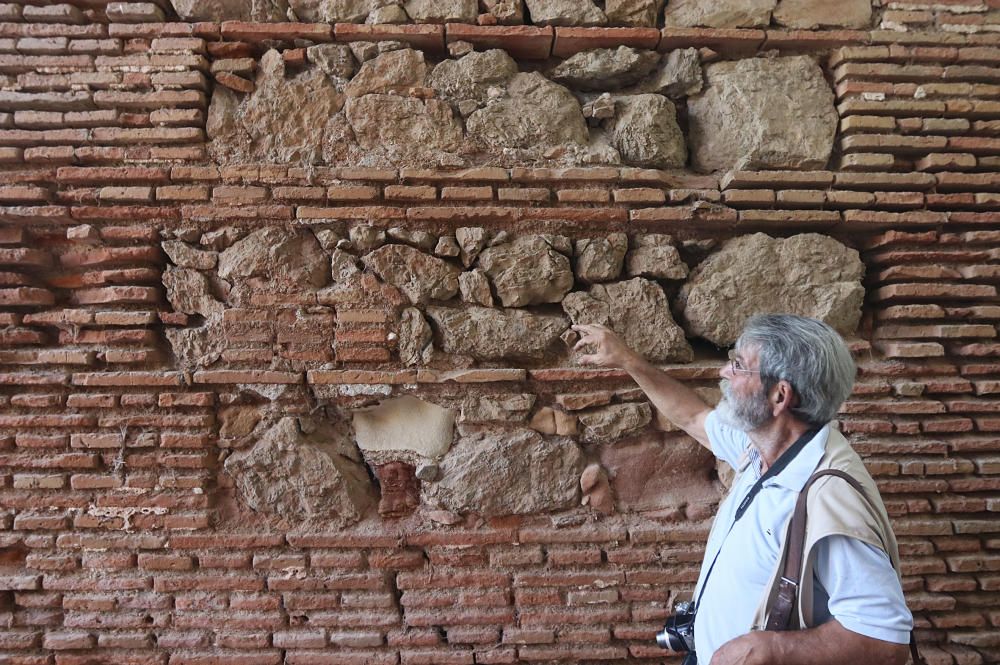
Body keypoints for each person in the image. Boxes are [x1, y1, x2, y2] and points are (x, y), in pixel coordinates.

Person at [572, 314, 913, 665]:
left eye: (739, 366)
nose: (724, 373)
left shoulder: (828, 498)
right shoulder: (764, 446)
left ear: (780, 396)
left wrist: (775, 650)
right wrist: (628, 360)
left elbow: (885, 639)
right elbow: (692, 417)